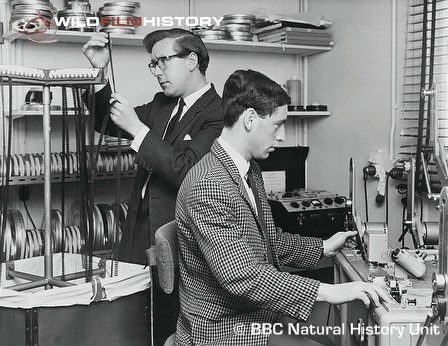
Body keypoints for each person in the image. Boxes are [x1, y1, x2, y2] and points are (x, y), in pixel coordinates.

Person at [175, 69, 389, 345]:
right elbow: (242, 275)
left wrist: (323, 247)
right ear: (250, 119)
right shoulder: (208, 185)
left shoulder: (249, 169)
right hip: (225, 330)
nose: (282, 136)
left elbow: (268, 241)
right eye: (277, 125)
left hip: (257, 316)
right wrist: (328, 291)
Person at [82, 28, 223, 345]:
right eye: (153, 64)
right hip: (137, 229)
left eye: (162, 61)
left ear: (191, 60)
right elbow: (105, 120)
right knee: (131, 316)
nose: (157, 72)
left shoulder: (218, 114)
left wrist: (137, 128)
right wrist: (99, 72)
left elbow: (185, 169)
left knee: (167, 322)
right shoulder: (162, 105)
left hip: (175, 239)